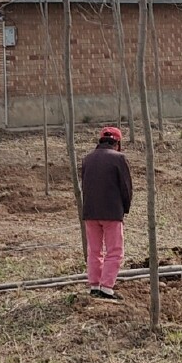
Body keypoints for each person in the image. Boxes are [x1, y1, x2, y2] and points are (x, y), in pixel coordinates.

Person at [81, 126, 133, 300]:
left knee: (94, 250)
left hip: (90, 212)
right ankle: (107, 287)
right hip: (111, 212)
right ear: (117, 143)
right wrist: (124, 208)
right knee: (115, 251)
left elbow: (85, 186)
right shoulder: (119, 159)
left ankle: (94, 285)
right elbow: (126, 188)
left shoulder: (87, 159)